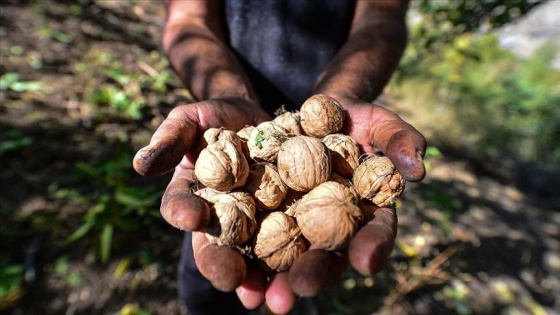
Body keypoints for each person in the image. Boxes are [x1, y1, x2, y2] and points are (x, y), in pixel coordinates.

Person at [133, 0, 427, 314]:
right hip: (238, 112)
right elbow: (189, 19)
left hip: (327, 117)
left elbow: (381, 18)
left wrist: (342, 95)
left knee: (303, 281)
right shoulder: (236, 166)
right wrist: (228, 93)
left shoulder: (324, 166)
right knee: (208, 285)